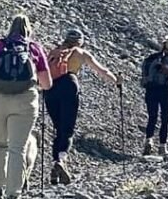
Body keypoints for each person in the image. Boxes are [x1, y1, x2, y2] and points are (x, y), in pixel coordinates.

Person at [0, 15, 51, 199]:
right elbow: (47, 83)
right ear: (29, 30)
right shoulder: (34, 48)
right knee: (18, 148)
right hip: (25, 101)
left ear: (10, 28)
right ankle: (13, 196)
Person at [44, 27, 119, 183]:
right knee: (68, 129)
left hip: (50, 89)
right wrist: (116, 81)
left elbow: (41, 71)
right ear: (80, 41)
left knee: (58, 128)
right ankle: (61, 160)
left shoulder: (53, 52)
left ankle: (54, 166)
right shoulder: (80, 53)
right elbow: (101, 70)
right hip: (69, 85)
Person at [141, 36, 168, 159]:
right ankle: (162, 147)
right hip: (164, 91)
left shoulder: (151, 59)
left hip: (150, 90)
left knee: (152, 116)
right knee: (165, 118)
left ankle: (149, 141)